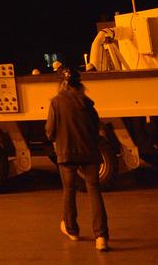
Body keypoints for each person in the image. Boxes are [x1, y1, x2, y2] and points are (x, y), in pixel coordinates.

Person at [45, 65, 110, 250]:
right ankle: (101, 237)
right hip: (89, 152)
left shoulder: (56, 103)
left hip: (66, 153)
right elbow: (96, 127)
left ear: (62, 84)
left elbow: (50, 131)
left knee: (69, 190)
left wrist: (55, 138)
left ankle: (72, 230)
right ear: (79, 84)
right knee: (94, 191)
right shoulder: (87, 103)